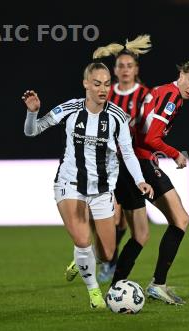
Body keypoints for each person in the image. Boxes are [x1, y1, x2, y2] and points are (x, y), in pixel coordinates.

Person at [22, 60, 153, 310]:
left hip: (102, 190)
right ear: (86, 84)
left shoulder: (116, 116)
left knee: (106, 254)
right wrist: (32, 112)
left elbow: (127, 152)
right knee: (82, 239)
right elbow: (32, 131)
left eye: (106, 84)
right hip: (70, 184)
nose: (103, 89)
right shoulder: (70, 109)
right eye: (97, 84)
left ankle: (82, 261)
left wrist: (140, 181)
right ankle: (94, 293)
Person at [111, 58, 189, 305]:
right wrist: (175, 154)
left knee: (140, 234)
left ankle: (116, 287)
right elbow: (151, 137)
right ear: (181, 73)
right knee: (180, 220)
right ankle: (157, 284)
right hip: (140, 162)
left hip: (128, 164)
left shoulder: (162, 91)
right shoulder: (171, 97)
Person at [64, 35, 152, 284]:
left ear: (136, 69)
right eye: (121, 66)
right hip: (107, 165)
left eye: (129, 66)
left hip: (132, 163)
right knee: (111, 217)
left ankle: (99, 259)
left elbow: (150, 129)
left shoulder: (145, 96)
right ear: (114, 70)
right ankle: (100, 259)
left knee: (121, 220)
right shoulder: (104, 92)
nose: (125, 70)